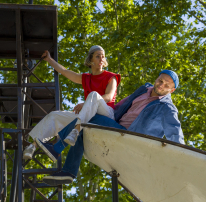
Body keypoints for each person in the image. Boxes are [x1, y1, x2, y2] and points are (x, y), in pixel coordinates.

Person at [42, 70, 184, 185]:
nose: (161, 85)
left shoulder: (167, 108)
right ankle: (68, 172)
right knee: (83, 127)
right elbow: (123, 104)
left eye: (166, 85)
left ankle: (57, 147)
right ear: (157, 77)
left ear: (172, 90)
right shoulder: (144, 89)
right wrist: (94, 107)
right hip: (115, 123)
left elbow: (175, 131)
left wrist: (181, 157)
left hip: (128, 136)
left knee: (86, 120)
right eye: (160, 80)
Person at [23, 46, 121, 161]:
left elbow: (109, 97)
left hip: (106, 114)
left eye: (103, 57)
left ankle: (75, 131)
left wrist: (85, 104)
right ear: (90, 60)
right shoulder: (86, 78)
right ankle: (32, 146)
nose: (101, 59)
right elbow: (64, 71)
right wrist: (49, 59)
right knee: (54, 115)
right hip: (88, 116)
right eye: (97, 56)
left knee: (94, 95)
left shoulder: (111, 77)